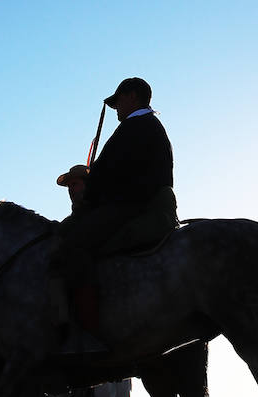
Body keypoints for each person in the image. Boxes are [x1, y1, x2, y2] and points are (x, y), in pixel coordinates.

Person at [50, 77, 177, 353]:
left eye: (118, 101)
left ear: (131, 97)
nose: (116, 108)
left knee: (74, 245)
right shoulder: (142, 127)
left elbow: (114, 176)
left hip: (130, 205)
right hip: (131, 202)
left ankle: (89, 331)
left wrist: (92, 198)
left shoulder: (138, 127)